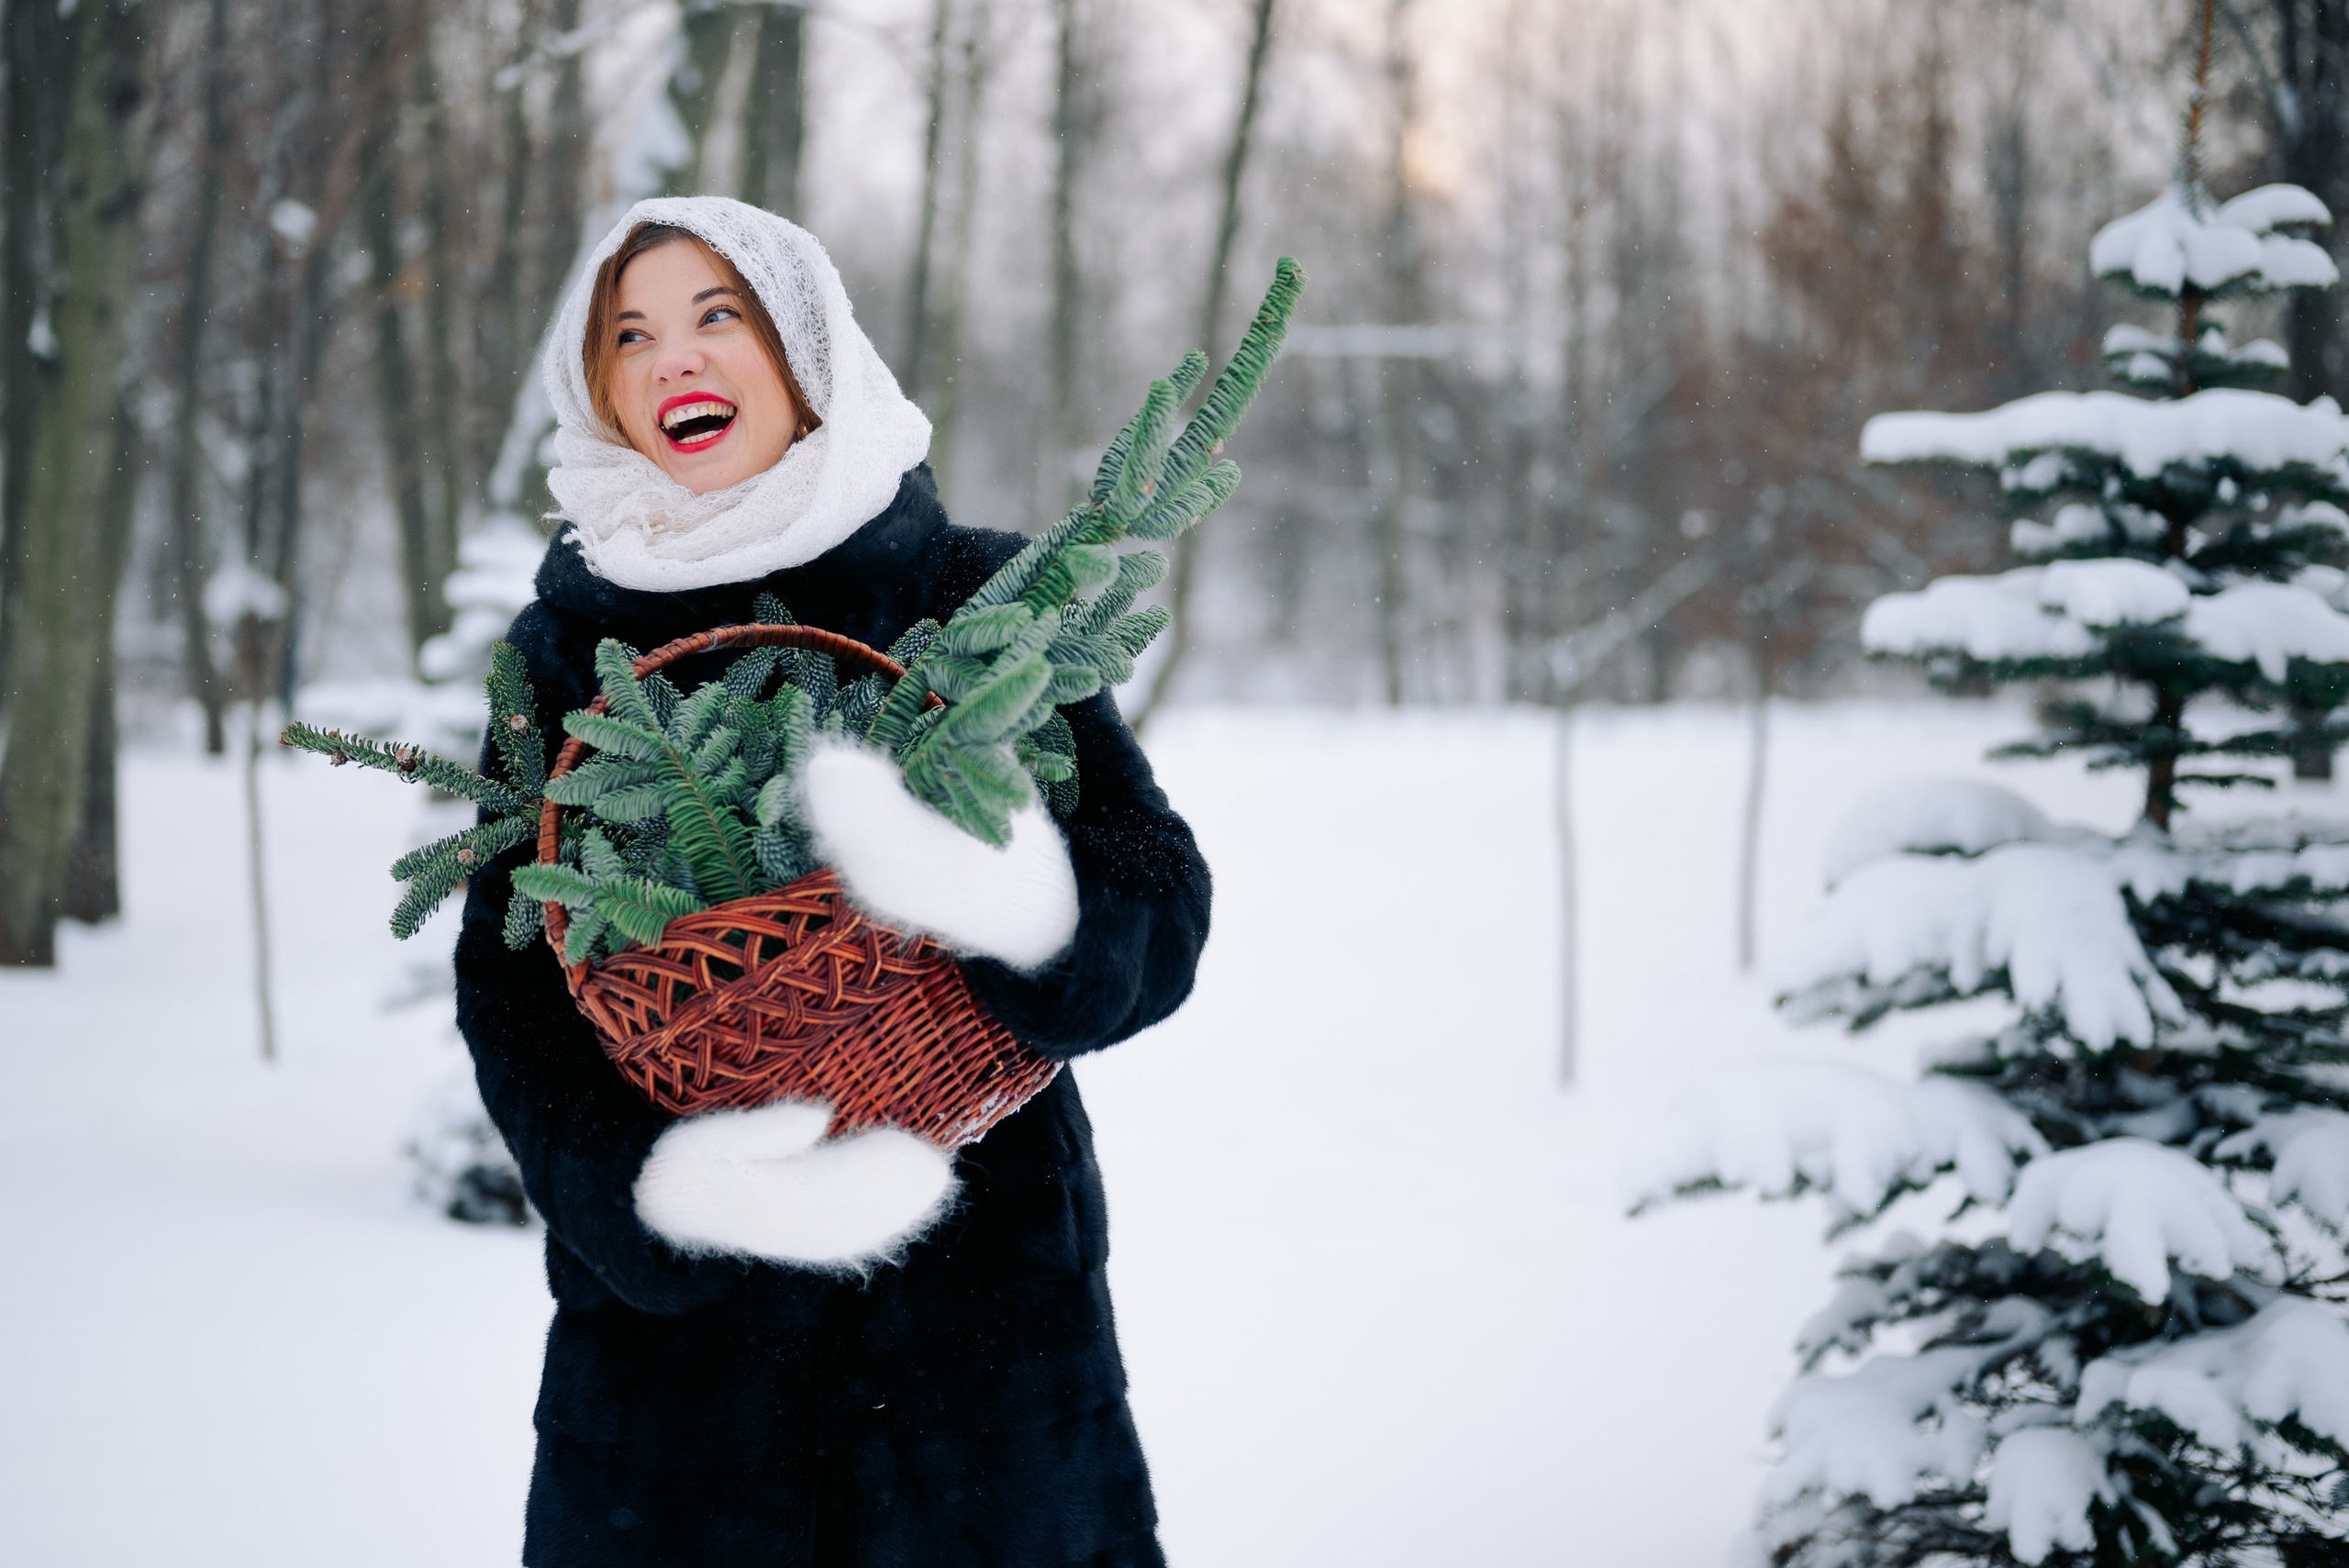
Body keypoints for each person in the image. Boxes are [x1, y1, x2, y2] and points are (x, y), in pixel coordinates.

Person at [454, 196, 1209, 1568]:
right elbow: (508, 993)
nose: (674, 358)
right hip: (680, 1432)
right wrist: (660, 1192)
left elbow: (1160, 903)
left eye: (716, 317)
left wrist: (1016, 903)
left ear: (804, 348)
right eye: (630, 335)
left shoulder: (965, 597)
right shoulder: (564, 658)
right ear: (601, 391)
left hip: (986, 1399)